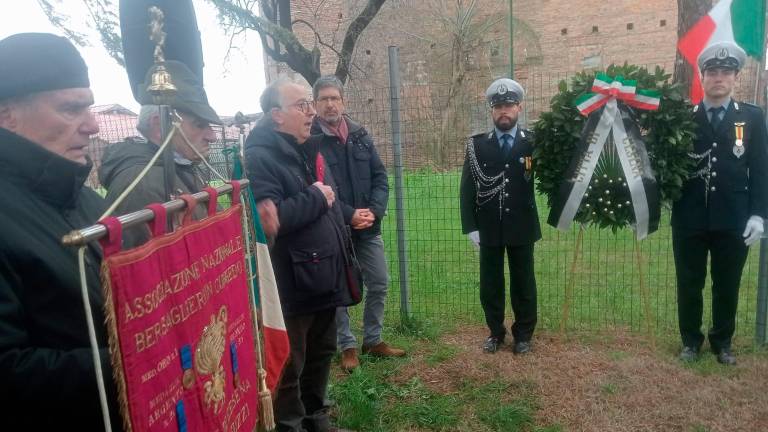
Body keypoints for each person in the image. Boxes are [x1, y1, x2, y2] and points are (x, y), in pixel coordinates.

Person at [0, 33, 120, 430]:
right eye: (71, 109)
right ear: (7, 115)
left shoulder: (87, 201)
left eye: (90, 106)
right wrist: (135, 356)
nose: (92, 125)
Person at [245, 78, 355, 432]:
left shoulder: (311, 151)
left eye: (310, 104)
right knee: (291, 364)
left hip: (325, 273)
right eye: (301, 105)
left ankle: (316, 416)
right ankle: (290, 425)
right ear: (276, 115)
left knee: (322, 354)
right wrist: (316, 197)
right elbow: (270, 222)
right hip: (293, 282)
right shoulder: (260, 157)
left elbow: (330, 205)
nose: (311, 112)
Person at [672, 41, 768, 365]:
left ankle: (722, 342)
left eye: (726, 71)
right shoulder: (683, 119)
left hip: (734, 218)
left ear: (736, 77)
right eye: (712, 71)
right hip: (689, 217)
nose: (719, 77)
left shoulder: (752, 118)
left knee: (727, 283)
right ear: (702, 76)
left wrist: (758, 214)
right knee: (689, 282)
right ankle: (690, 341)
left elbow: (761, 169)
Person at [311, 75, 405, 371]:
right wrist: (349, 214)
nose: (330, 104)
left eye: (334, 98)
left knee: (379, 281)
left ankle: (373, 340)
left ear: (344, 101)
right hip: (334, 230)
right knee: (338, 289)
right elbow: (317, 188)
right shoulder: (311, 143)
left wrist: (374, 212)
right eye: (324, 99)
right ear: (315, 105)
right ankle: (347, 345)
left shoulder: (361, 135)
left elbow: (379, 176)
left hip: (368, 227)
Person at [98, 60, 221, 248]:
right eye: (199, 124)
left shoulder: (180, 168)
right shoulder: (140, 186)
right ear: (159, 126)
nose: (212, 137)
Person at [459, 78, 541, 355]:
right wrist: (471, 226)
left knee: (524, 282)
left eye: (509, 105)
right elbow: (467, 189)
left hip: (523, 224)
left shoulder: (533, 142)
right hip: (489, 225)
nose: (503, 111)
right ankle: (495, 332)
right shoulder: (477, 145)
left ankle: (523, 335)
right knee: (491, 283)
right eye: (498, 107)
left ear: (519, 107)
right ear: (491, 111)